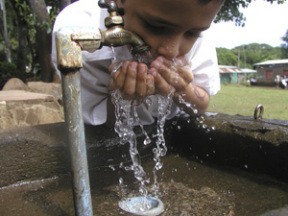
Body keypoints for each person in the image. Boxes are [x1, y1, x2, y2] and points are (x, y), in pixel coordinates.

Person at [52, 0, 223, 126]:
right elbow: (91, 124)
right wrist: (120, 99)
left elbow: (201, 104)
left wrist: (182, 89)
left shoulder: (197, 22)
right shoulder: (75, 33)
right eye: (156, 26)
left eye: (192, 34)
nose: (171, 51)